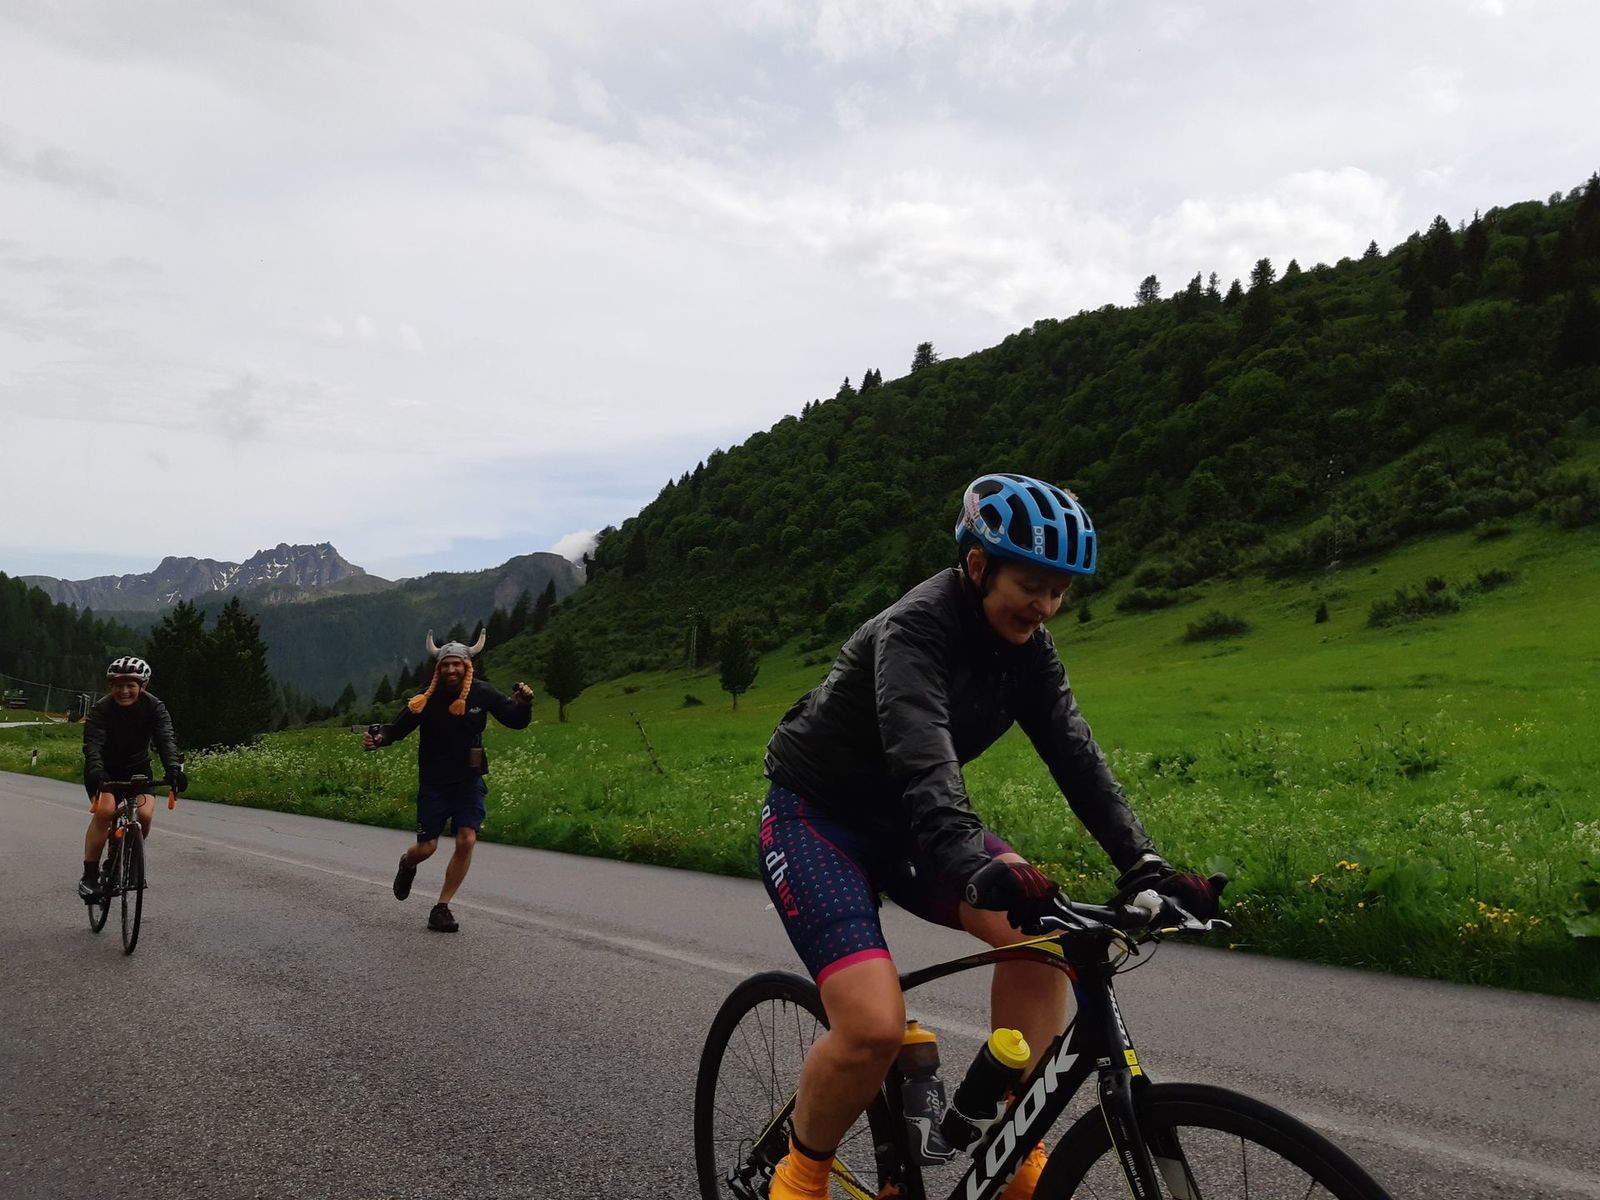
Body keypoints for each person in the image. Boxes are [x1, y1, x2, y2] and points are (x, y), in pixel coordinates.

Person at [758, 472, 1224, 1200]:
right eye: (1031, 585)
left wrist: (1144, 864)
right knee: (872, 1028)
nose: (1045, 606)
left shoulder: (1031, 650)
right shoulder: (916, 628)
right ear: (977, 567)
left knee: (1047, 945)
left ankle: (1015, 1149)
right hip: (819, 819)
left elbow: (1076, 756)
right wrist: (967, 860)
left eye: (1059, 591)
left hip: (912, 825)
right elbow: (921, 749)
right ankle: (801, 1172)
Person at [363, 631, 533, 932]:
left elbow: (515, 720)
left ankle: (441, 908)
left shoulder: (482, 692)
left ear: (467, 667)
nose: (451, 669)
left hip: (469, 779)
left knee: (467, 839)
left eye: (457, 664)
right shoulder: (425, 697)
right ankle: (407, 863)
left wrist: (524, 703)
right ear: (438, 668)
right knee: (426, 848)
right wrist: (378, 739)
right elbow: (396, 729)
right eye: (446, 665)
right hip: (435, 782)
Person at [78, 656, 187, 901]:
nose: (124, 691)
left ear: (143, 686)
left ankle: (125, 860)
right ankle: (89, 876)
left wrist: (173, 769)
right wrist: (96, 772)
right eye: (118, 685)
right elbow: (93, 746)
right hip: (104, 770)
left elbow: (165, 739)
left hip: (138, 769)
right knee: (105, 811)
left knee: (145, 815)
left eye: (130, 685)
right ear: (111, 686)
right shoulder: (102, 709)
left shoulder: (155, 707)